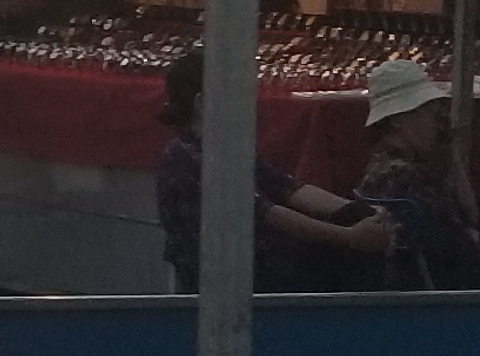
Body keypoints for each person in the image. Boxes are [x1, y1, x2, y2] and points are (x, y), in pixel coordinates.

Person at [155, 44, 398, 291]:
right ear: (203, 102)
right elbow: (268, 214)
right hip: (230, 284)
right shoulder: (188, 157)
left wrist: (359, 210)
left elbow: (288, 188)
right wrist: (350, 237)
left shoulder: (227, 148)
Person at [349, 56, 480, 286]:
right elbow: (469, 227)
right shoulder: (408, 178)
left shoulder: (381, 168)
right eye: (429, 112)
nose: (437, 121)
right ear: (399, 120)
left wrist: (449, 149)